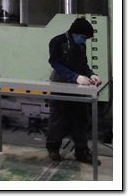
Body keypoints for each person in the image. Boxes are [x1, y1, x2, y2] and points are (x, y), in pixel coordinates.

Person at [45, 17, 102, 164]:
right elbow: (55, 63)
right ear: (75, 33)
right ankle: (53, 149)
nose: (84, 41)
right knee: (57, 118)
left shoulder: (80, 45)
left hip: (78, 87)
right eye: (83, 37)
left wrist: (91, 74)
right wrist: (75, 77)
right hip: (59, 85)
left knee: (80, 119)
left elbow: (83, 64)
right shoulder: (57, 41)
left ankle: (82, 151)